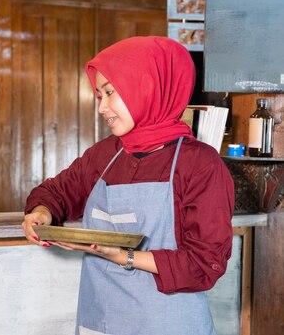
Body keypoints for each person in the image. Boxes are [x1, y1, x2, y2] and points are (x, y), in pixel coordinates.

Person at [21, 36, 234, 335]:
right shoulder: (106, 154)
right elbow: (56, 193)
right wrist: (40, 214)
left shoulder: (200, 163)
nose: (102, 108)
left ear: (147, 87)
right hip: (101, 320)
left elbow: (205, 264)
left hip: (169, 324)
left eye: (110, 93)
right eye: (99, 96)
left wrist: (121, 255)